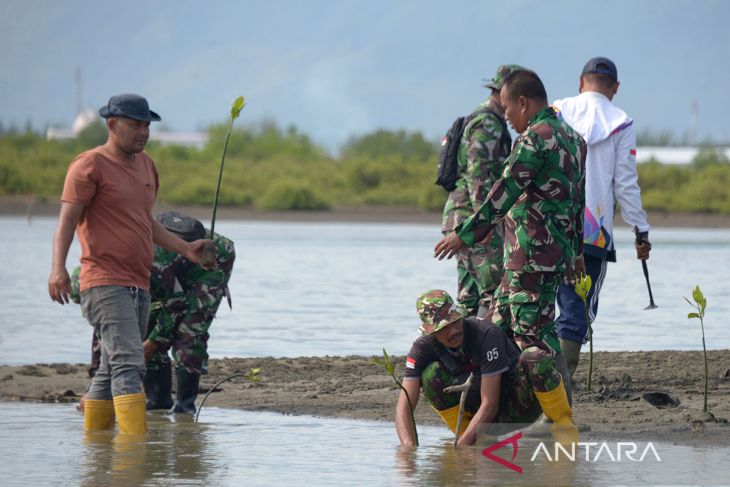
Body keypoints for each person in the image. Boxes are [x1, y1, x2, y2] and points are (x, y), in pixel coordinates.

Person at [47, 94, 214, 434]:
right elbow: (66, 221)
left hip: (138, 282)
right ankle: (133, 458)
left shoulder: (147, 166)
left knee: (111, 369)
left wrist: (186, 248)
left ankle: (96, 455)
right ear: (112, 125)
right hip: (104, 281)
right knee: (130, 363)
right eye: (134, 124)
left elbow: (145, 222)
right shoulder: (88, 166)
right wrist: (58, 268)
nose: (143, 132)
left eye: (146, 125)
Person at [434, 69, 587, 398]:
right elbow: (578, 203)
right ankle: (477, 391)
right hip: (552, 253)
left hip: (529, 254)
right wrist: (576, 255)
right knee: (492, 321)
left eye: (507, 109)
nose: (506, 116)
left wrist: (466, 233)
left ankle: (559, 413)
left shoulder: (535, 138)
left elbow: (502, 193)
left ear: (523, 103)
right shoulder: (575, 140)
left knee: (534, 338)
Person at [552, 57, 652, 387]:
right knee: (577, 307)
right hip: (592, 232)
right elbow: (625, 184)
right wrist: (641, 230)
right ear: (615, 89)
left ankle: (539, 386)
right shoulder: (621, 122)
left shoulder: (557, 111)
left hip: (549, 226)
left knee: (543, 306)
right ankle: (556, 393)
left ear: (582, 82)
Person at [74, 211, 236, 415]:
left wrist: (152, 342)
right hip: (170, 265)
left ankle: (184, 408)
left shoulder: (152, 268)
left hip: (210, 259)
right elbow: (107, 336)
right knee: (141, 327)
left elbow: (175, 306)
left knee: (190, 330)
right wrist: (95, 387)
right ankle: (159, 401)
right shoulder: (101, 279)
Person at [395, 290, 578, 447]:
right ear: (431, 332)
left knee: (535, 356)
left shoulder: (485, 333)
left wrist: (461, 448)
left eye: (455, 322)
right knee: (430, 375)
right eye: (443, 328)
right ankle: (471, 436)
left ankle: (565, 430)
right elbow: (404, 406)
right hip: (479, 417)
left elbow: (490, 403)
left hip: (518, 407)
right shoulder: (422, 348)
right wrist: (408, 452)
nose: (453, 331)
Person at [441, 65, 522, 318]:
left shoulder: (485, 119)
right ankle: (489, 352)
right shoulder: (488, 122)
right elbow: (480, 176)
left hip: (460, 218)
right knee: (494, 291)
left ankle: (467, 354)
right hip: (471, 219)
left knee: (468, 298)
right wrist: (483, 225)